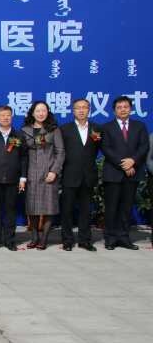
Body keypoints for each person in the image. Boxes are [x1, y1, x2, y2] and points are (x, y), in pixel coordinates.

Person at [101, 95, 149, 250]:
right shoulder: (106, 127)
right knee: (111, 207)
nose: (123, 110)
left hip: (133, 173)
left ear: (130, 109)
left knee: (127, 208)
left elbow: (144, 147)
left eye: (126, 107)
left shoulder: (139, 126)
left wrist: (133, 161)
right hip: (113, 173)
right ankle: (110, 238)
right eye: (119, 107)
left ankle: (124, 237)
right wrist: (125, 164)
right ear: (114, 110)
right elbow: (106, 148)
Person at [21, 101, 65, 250]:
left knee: (49, 207)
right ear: (32, 113)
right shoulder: (25, 130)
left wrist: (54, 171)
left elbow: (60, 152)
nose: (41, 113)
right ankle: (34, 237)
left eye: (44, 110)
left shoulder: (54, 130)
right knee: (32, 206)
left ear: (48, 112)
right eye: (38, 111)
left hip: (49, 173)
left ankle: (44, 238)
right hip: (31, 173)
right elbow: (22, 154)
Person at [59, 99, 101, 251]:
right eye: (78, 108)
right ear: (73, 111)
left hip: (88, 175)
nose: (81, 110)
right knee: (67, 210)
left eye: (84, 107)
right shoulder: (64, 129)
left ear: (89, 110)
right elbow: (60, 152)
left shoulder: (97, 128)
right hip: (69, 175)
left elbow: (97, 149)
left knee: (86, 210)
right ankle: (67, 240)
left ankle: (85, 240)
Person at [0, 105, 27, 251]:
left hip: (13, 179)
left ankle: (10, 240)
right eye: (2, 115)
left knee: (11, 210)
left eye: (8, 115)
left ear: (12, 117)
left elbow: (24, 158)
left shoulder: (19, 136)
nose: (5, 118)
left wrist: (23, 177)